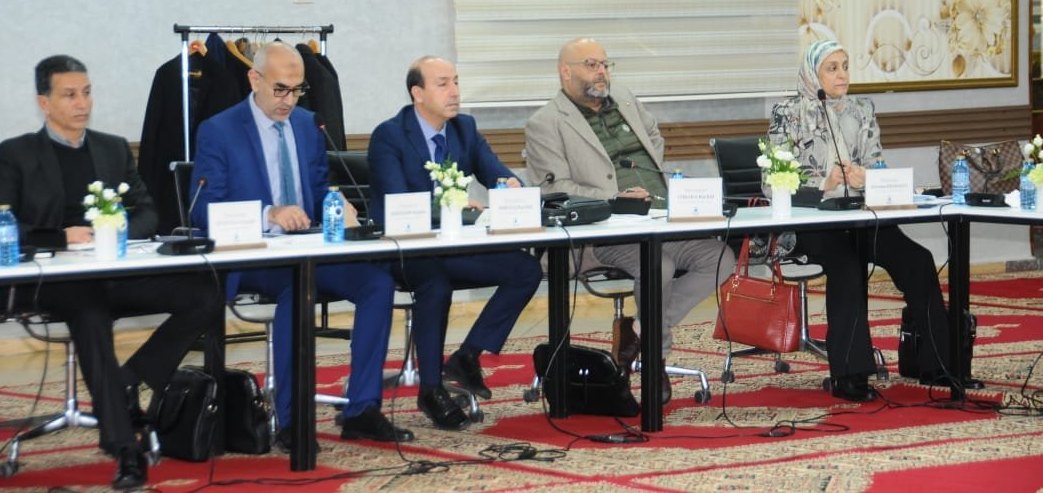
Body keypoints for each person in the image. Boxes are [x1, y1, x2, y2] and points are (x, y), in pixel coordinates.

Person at [0, 55, 220, 490]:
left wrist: (117, 229)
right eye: (69, 95)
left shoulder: (113, 147)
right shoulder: (18, 153)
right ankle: (124, 448)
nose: (82, 103)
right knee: (89, 312)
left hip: (113, 271)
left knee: (205, 294)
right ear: (44, 103)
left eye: (86, 93)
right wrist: (60, 238)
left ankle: (129, 379)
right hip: (55, 282)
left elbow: (148, 212)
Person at [190, 42, 413, 449]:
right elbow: (204, 210)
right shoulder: (219, 130)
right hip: (257, 256)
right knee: (299, 288)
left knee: (377, 283)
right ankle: (291, 419)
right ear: (254, 79)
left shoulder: (309, 126)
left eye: (297, 90)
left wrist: (338, 204)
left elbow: (317, 189)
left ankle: (361, 409)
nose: (289, 100)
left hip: (310, 250)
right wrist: (268, 214)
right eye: (280, 89)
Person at [524, 38, 732, 404]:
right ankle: (655, 360)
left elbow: (653, 137)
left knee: (720, 258)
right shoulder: (546, 123)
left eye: (605, 64)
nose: (601, 72)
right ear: (565, 71)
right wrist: (615, 200)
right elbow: (554, 190)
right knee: (659, 267)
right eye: (591, 64)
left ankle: (636, 330)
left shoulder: (625, 99)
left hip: (659, 218)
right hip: (605, 233)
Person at [767, 39, 963, 401]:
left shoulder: (862, 110)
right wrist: (823, 183)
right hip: (811, 222)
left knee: (917, 259)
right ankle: (850, 375)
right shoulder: (787, 113)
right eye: (832, 68)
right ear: (813, 74)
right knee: (847, 265)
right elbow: (772, 181)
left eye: (845, 66)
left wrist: (866, 177)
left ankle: (941, 365)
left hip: (859, 215)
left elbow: (877, 165)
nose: (842, 75)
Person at [367, 56, 542, 430]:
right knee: (435, 285)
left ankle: (467, 356)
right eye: (443, 84)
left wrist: (512, 188)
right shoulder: (390, 135)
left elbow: (495, 173)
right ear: (418, 93)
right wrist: (452, 208)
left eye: (457, 82)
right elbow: (397, 203)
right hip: (405, 250)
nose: (455, 92)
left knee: (526, 269)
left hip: (451, 247)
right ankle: (431, 389)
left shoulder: (464, 128)